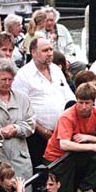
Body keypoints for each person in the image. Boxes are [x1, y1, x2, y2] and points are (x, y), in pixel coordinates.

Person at [43, 83, 96, 192]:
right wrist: (92, 146)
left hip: (75, 156)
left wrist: (88, 138)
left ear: (93, 103)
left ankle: (85, 188)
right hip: (57, 159)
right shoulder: (67, 116)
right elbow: (64, 144)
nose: (83, 107)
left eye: (87, 103)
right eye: (80, 102)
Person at [12, 37, 74, 170]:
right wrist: (43, 131)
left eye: (51, 49)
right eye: (45, 50)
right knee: (41, 172)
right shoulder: (23, 75)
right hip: (37, 136)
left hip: (62, 132)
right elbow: (21, 110)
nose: (50, 53)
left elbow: (69, 97)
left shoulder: (56, 70)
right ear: (33, 52)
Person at [0, 59, 36, 181]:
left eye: (10, 79)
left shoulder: (22, 98)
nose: (7, 83)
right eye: (4, 79)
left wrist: (16, 128)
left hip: (20, 157)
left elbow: (31, 124)